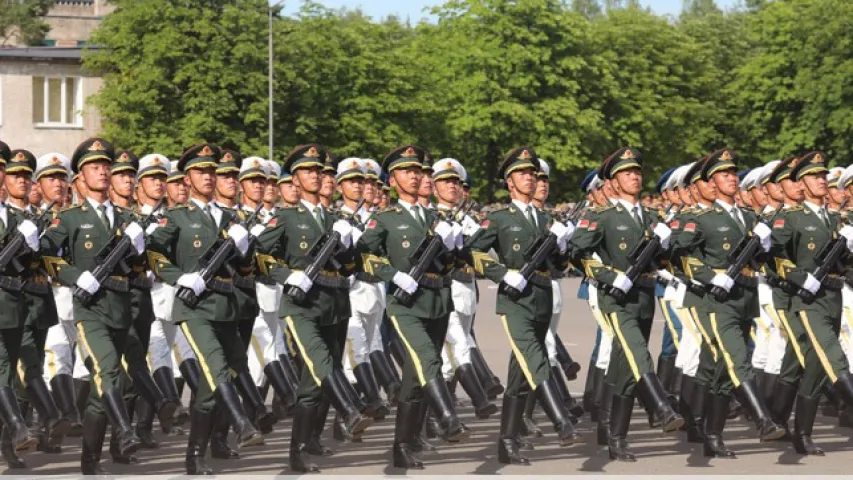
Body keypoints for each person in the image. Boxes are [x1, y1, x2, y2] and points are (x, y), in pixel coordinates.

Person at [146, 143, 264, 475]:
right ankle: (242, 424)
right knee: (214, 365)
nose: (209, 177)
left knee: (215, 384)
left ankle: (195, 454)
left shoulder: (232, 217)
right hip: (193, 306)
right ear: (187, 177)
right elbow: (153, 253)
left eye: (212, 171)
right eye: (201, 171)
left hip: (227, 305)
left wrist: (245, 246)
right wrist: (179, 276)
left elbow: (245, 267)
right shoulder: (178, 216)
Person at [256, 144, 372, 473]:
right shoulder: (286, 217)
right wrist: (287, 274)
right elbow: (260, 256)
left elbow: (353, 265)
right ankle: (351, 410)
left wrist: (350, 246)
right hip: (301, 306)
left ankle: (300, 450)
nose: (316, 175)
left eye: (319, 171)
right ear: (295, 178)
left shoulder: (335, 219)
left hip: (335, 304)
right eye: (308, 171)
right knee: (321, 363)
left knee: (314, 383)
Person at [357, 144, 469, 469]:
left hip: (437, 301)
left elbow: (453, 262)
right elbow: (365, 256)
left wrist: (455, 246)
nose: (416, 175)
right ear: (392, 181)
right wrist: (393, 275)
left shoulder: (436, 217)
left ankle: (403, 446)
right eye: (408, 171)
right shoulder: (385, 219)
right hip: (405, 303)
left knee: (415, 377)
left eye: (418, 170)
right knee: (425, 358)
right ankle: (448, 419)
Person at [40, 138, 147, 474]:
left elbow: (141, 266)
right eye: (93, 166)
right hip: (90, 311)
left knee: (106, 388)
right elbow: (45, 254)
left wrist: (141, 245)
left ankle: (89, 459)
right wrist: (74, 275)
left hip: (122, 308)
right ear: (81, 177)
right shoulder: (71, 218)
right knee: (107, 370)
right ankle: (126, 432)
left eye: (105, 166)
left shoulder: (127, 216)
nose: (102, 171)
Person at [467, 146, 579, 465]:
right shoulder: (499, 218)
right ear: (509, 181)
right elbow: (473, 253)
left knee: (519, 377)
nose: (529, 178)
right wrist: (503, 274)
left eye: (533, 173)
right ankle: (562, 422)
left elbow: (558, 263)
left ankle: (507, 441)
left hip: (542, 294)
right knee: (535, 357)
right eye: (522, 174)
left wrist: (561, 245)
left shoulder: (545, 218)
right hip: (515, 300)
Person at [570, 147, 682, 461]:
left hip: (645, 298)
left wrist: (666, 246)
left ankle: (616, 438)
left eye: (636, 171)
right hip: (615, 299)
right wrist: (607, 276)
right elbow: (577, 255)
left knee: (625, 370)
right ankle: (660, 408)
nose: (634, 177)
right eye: (625, 173)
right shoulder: (601, 216)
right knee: (638, 354)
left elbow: (665, 259)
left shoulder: (651, 217)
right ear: (613, 181)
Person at [673, 150, 785, 459]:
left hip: (746, 297)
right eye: (724, 174)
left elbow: (762, 260)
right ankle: (763, 419)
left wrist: (764, 246)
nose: (732, 178)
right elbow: (681, 258)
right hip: (717, 301)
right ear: (710, 182)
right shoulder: (699, 219)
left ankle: (711, 435)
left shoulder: (749, 217)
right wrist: (711, 276)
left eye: (734, 173)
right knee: (739, 359)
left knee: (719, 372)